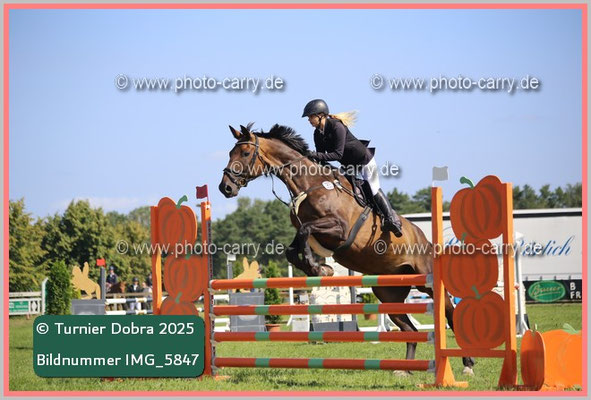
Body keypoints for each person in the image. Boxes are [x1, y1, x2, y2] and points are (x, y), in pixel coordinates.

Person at [302, 99, 403, 237]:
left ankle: (392, 220)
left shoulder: (337, 126)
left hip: (364, 161)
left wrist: (314, 155)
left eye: (310, 116)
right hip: (349, 166)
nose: (309, 120)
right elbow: (322, 158)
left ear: (321, 115)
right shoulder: (317, 134)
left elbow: (337, 154)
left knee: (373, 189)